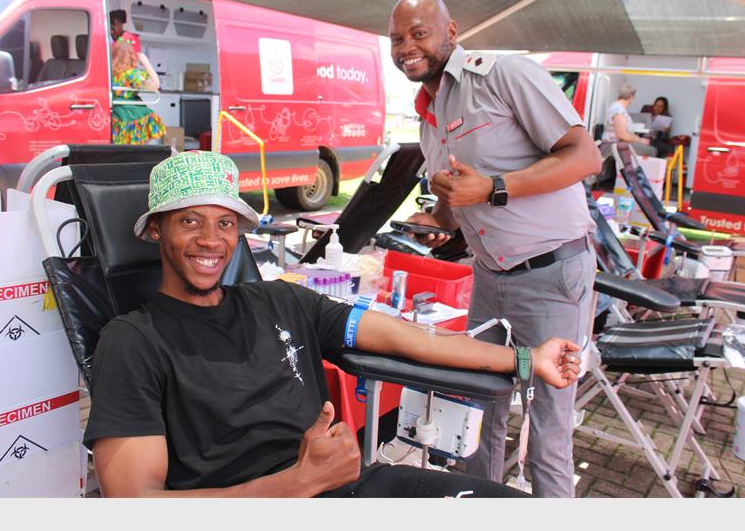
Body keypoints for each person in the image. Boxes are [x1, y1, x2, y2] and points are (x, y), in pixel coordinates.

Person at [83, 150, 583, 498]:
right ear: (155, 230)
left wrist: (526, 358)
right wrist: (295, 485)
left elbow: (400, 335)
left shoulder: (279, 300)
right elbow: (134, 502)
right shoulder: (132, 340)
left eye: (225, 222)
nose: (211, 240)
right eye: (189, 221)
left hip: (347, 487)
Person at [387, 0, 602, 497]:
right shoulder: (427, 115)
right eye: (396, 39)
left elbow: (584, 156)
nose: (406, 47)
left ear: (451, 31)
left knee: (547, 428)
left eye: (419, 33)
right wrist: (439, 215)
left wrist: (492, 187)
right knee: (476, 413)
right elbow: (461, 197)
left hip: (552, 274)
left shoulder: (505, 75)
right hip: (490, 278)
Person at [110, 39, 166, 144]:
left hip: (115, 114)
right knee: (149, 118)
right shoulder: (132, 74)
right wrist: (145, 61)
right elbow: (156, 85)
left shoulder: (108, 73)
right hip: (132, 114)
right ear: (132, 56)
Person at [604, 84, 658, 156]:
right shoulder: (619, 110)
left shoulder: (616, 106)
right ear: (631, 97)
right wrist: (640, 140)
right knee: (652, 150)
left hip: (615, 143)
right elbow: (623, 135)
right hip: (615, 145)